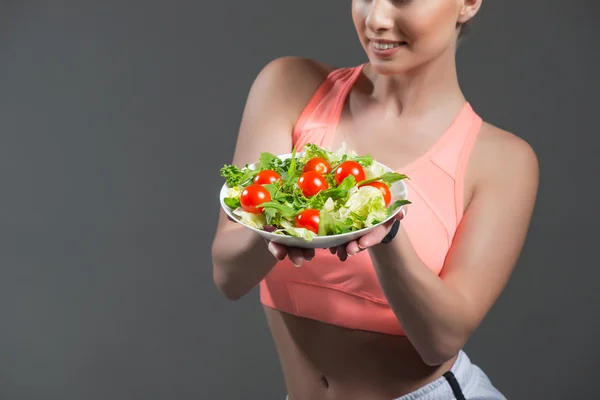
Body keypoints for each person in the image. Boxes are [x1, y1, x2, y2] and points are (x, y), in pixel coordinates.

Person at [211, 0, 539, 399]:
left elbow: (440, 340)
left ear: (468, 3)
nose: (377, 19)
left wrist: (386, 235)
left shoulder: (502, 160)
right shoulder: (291, 87)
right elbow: (229, 277)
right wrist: (282, 223)